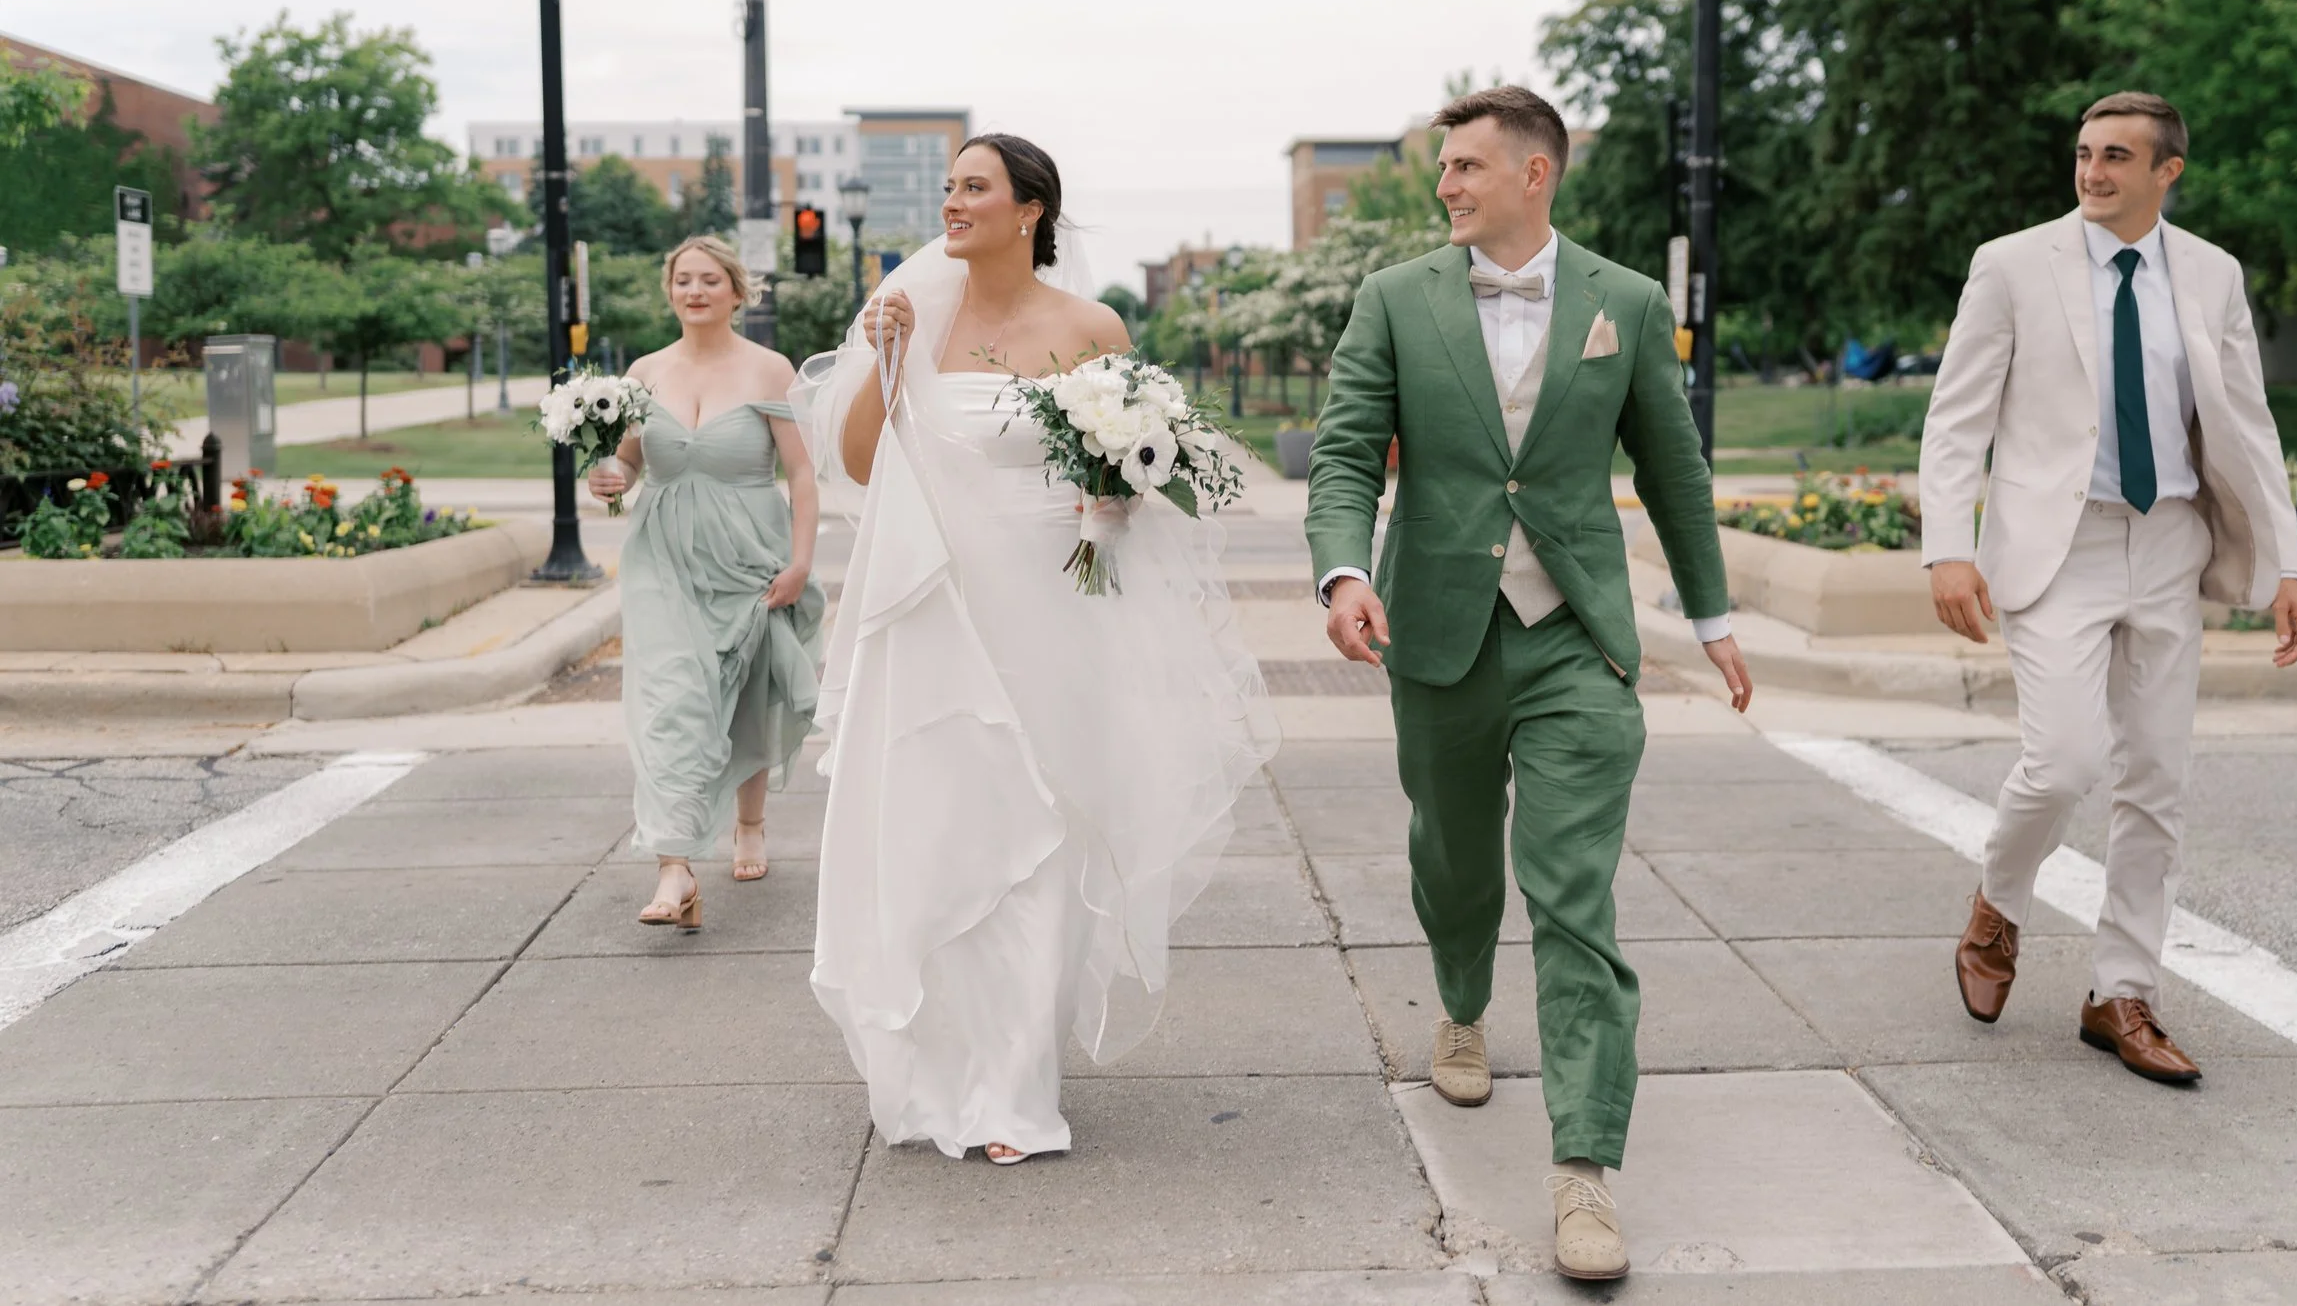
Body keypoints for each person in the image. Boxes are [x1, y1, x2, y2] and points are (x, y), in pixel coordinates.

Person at [1305, 86, 1750, 1282]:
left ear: (1534, 174)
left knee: (1572, 898)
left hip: (1577, 638)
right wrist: (1345, 572)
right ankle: (1459, 997)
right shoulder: (1394, 298)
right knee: (1453, 854)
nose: (1445, 184)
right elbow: (1345, 450)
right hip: (1436, 625)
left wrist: (1707, 616)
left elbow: (1675, 467)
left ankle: (1584, 1171)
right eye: (1442, 167)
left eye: (1463, 166)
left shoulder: (1626, 301)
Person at [795, 133, 1277, 1165]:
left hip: (1053, 606)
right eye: (949, 187)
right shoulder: (909, 313)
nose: (952, 202)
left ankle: (1013, 1086)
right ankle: (931, 1067)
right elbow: (861, 460)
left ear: (1030, 209)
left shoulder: (1089, 325)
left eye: (975, 187)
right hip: (936, 603)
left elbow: (1149, 461)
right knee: (939, 824)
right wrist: (882, 361)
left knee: (1039, 828)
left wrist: (1116, 489)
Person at [1922, 91, 2297, 1082]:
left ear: (2165, 171)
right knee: (2059, 762)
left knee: (2157, 780)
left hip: (2171, 539)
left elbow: (2249, 421)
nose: (2092, 172)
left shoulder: (2213, 275)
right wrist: (1946, 546)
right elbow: (1956, 416)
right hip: (2060, 547)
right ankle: (1998, 904)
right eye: (2085, 153)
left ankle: (2120, 991)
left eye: (2116, 157)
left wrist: (2288, 563)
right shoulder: (2011, 265)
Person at [586, 234, 826, 930]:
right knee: (672, 699)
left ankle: (750, 822)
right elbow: (627, 463)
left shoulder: (768, 368)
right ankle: (675, 865)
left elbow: (802, 474)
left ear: (736, 291)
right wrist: (611, 477)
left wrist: (802, 561)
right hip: (662, 555)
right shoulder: (645, 370)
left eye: (709, 280)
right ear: (670, 291)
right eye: (683, 280)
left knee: (747, 691)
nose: (695, 291)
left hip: (749, 551)